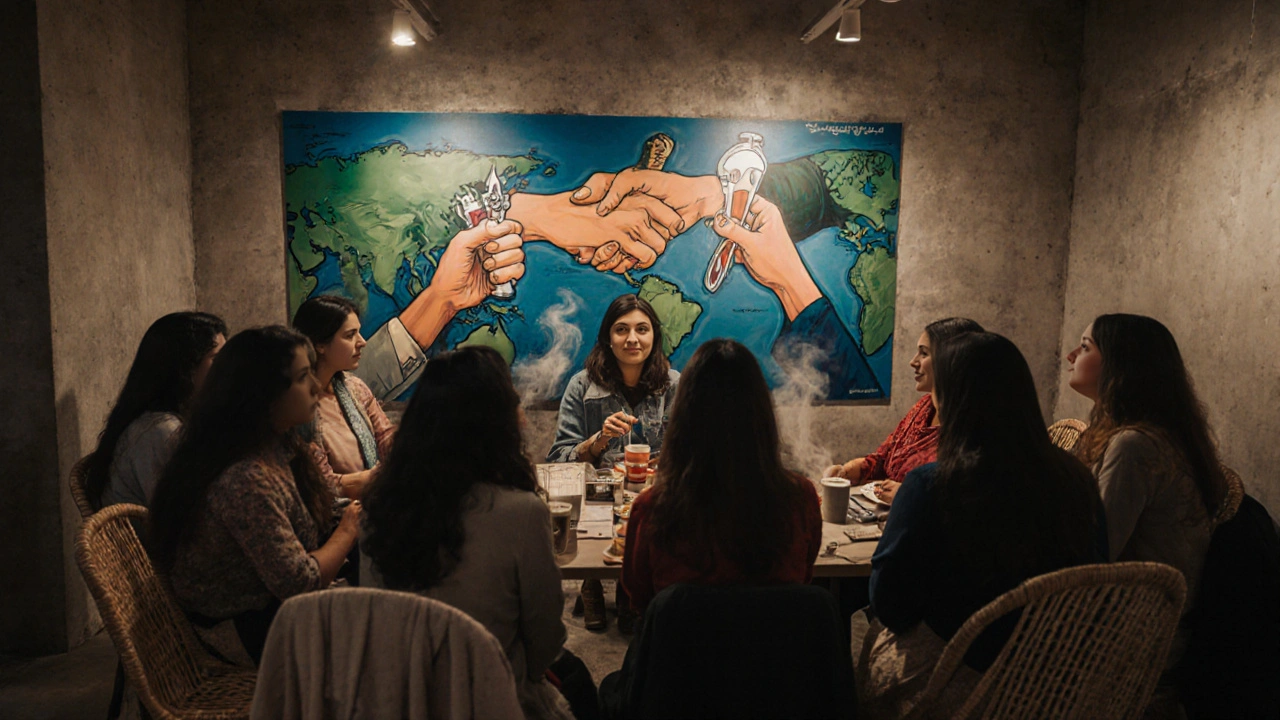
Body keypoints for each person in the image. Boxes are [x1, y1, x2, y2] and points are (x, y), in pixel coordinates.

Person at [862, 332, 1106, 718]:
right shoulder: (1079, 479)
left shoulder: (931, 484)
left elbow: (890, 605)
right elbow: (1096, 581)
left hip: (957, 683)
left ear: (955, 398)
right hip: (1054, 685)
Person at [361, 347, 576, 720]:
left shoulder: (378, 508)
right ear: (497, 425)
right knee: (582, 684)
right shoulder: (521, 512)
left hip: (404, 699)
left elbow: (378, 628)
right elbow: (546, 644)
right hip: (491, 698)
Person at [149, 326, 361, 663]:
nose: (317, 387)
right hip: (242, 631)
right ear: (264, 394)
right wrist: (349, 529)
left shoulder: (274, 443)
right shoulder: (244, 476)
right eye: (303, 376)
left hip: (272, 610)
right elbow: (300, 583)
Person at [621, 338, 824, 613]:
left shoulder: (651, 509)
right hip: (775, 654)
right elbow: (803, 582)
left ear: (684, 415)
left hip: (681, 655)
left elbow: (641, 602)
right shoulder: (801, 499)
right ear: (761, 412)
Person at [1066, 314, 1225, 664]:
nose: (1071, 355)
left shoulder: (1133, 446)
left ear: (1121, 366)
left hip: (1127, 637)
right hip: (1130, 618)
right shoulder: (1143, 435)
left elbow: (1094, 551)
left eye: (1086, 346)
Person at [547, 294, 680, 631]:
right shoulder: (581, 386)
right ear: (608, 337)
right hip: (598, 500)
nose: (632, 339)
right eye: (621, 330)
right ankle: (591, 584)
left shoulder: (675, 385)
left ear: (654, 336)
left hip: (655, 498)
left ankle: (631, 593)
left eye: (642, 329)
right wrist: (598, 441)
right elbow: (558, 459)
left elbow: (692, 450)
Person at [824, 317, 984, 506]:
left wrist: (909, 495)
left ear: (951, 359)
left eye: (923, 354)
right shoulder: (924, 407)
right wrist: (849, 470)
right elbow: (884, 458)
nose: (913, 362)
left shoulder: (975, 426)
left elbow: (967, 501)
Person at [84, 311, 226, 510]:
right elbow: (181, 518)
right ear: (185, 367)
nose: (225, 368)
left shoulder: (174, 422)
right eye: (216, 358)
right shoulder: (160, 432)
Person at [293, 295, 395, 500]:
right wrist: (378, 478)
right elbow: (319, 484)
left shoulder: (354, 387)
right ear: (320, 344)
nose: (362, 342)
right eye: (350, 335)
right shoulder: (297, 405)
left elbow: (387, 438)